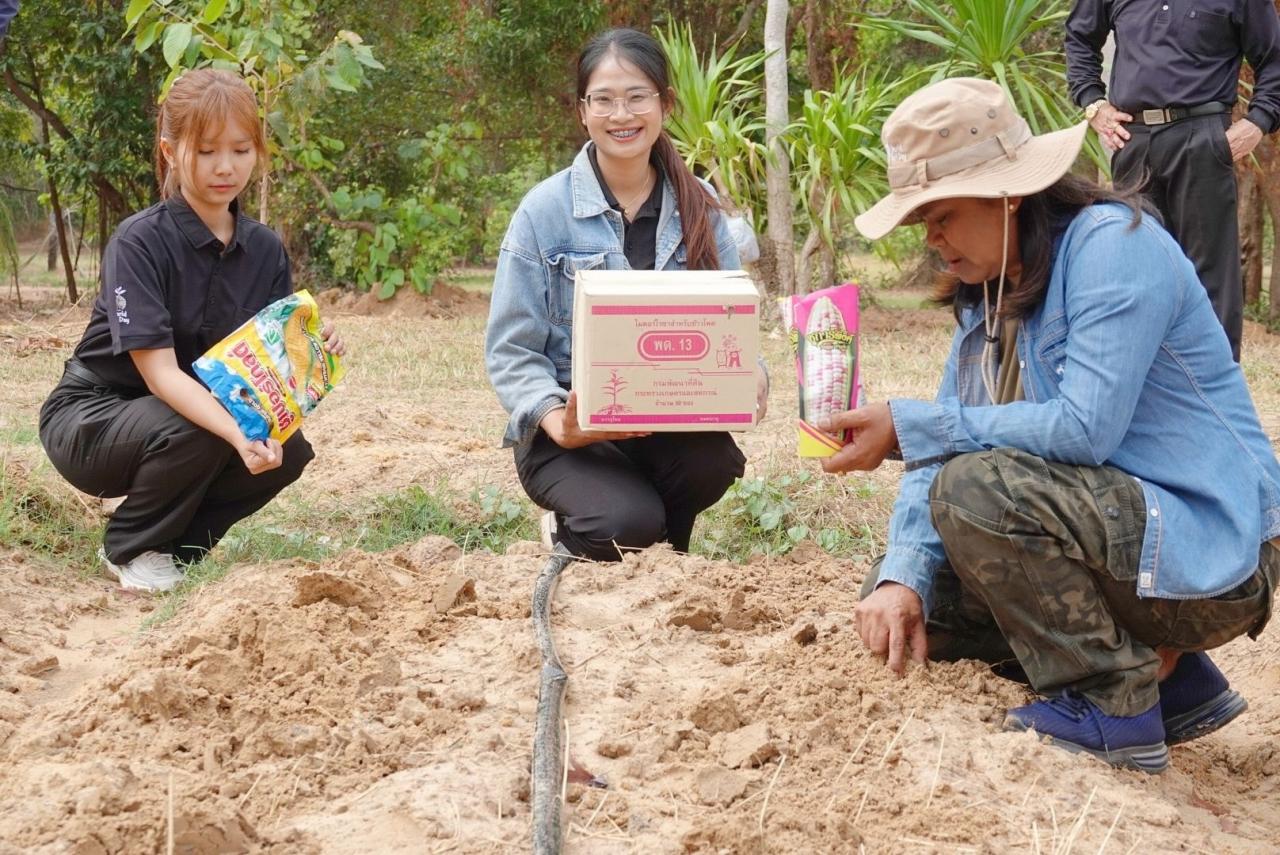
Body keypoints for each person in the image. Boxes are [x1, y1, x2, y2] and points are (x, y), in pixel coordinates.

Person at [824, 78, 1280, 773]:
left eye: (942, 215)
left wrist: (910, 423)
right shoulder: (989, 292)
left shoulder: (1112, 248)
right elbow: (933, 455)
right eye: (923, 223)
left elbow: (1081, 430)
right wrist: (902, 577)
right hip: (1125, 545)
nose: (933, 239)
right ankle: (1172, 683)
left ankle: (1113, 704)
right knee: (914, 605)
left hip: (1210, 551)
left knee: (977, 491)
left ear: (1009, 194)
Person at [38, 69, 344, 592]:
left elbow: (267, 358)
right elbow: (159, 375)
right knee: (208, 426)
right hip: (93, 417)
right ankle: (128, 546)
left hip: (185, 416)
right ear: (169, 150)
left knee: (287, 454)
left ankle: (174, 550)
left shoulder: (264, 248)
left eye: (241, 149)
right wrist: (236, 433)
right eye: (206, 152)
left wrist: (312, 345)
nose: (225, 167)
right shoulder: (139, 242)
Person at [485, 28, 750, 562]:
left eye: (636, 97)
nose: (620, 114)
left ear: (665, 104)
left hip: (665, 421)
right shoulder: (544, 211)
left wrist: (751, 379)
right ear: (583, 111)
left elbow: (733, 319)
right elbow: (511, 351)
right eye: (603, 99)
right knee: (623, 521)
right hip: (571, 429)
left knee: (715, 462)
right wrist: (559, 423)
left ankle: (660, 547)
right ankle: (587, 527)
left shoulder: (701, 205)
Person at [1065, 0, 1280, 362]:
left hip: (1203, 138)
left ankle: (1215, 396)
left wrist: (1259, 121)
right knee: (1134, 272)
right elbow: (1079, 37)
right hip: (1133, 141)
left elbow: (1274, 58)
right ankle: (1143, 389)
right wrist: (1093, 104)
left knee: (1209, 277)